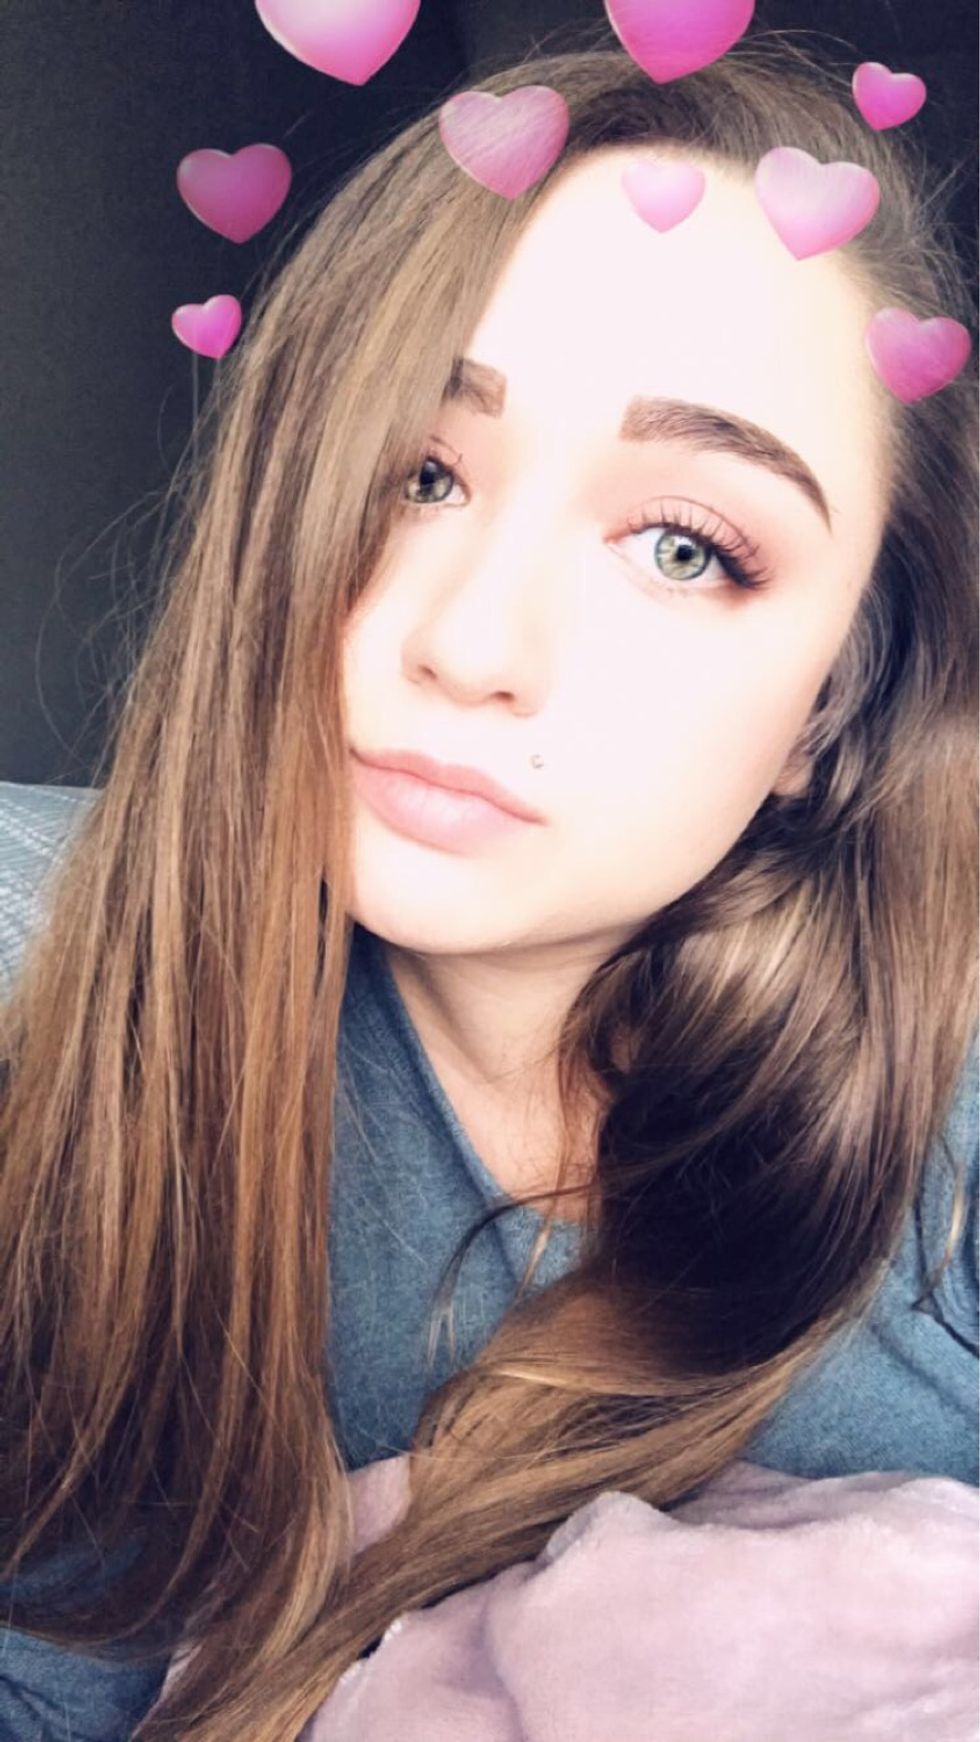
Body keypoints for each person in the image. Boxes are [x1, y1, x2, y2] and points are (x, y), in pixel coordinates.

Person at [0, 27, 976, 1742]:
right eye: (420, 472)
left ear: (834, 708)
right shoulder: (69, 1042)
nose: (466, 642)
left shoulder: (946, 1149)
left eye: (684, 546)